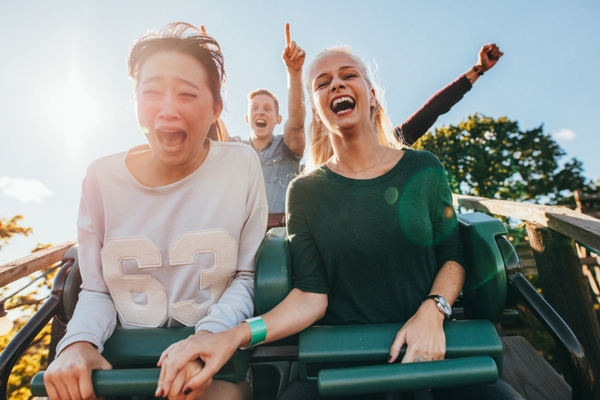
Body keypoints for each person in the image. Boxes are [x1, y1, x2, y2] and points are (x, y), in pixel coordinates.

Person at [154, 44, 523, 400]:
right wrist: (234, 335)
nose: (337, 84)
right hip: (345, 363)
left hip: (432, 352)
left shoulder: (422, 167)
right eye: (322, 82)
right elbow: (311, 295)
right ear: (316, 109)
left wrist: (434, 311)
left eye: (348, 75)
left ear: (372, 94)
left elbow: (452, 255)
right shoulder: (305, 192)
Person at [43, 22, 267, 400]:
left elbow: (246, 277)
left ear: (216, 108)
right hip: (121, 367)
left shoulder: (241, 165)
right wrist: (78, 343)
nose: (167, 109)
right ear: (134, 101)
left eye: (186, 94)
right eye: (152, 92)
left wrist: (208, 338)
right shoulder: (100, 178)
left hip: (211, 369)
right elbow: (98, 288)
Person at [244, 23, 306, 215]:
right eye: (255, 108)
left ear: (278, 118)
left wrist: (294, 73)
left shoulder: (286, 147)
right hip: (239, 239)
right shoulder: (235, 149)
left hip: (278, 237)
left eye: (267, 108)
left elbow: (296, 124)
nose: (260, 112)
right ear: (247, 118)